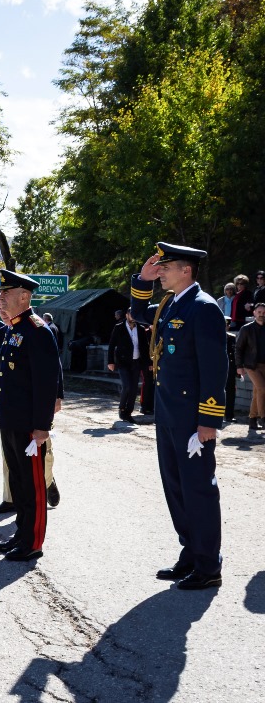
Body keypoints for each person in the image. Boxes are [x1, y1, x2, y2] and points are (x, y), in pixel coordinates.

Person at [131, 242, 227, 590]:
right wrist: (142, 280)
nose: (161, 273)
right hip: (169, 411)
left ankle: (208, 565)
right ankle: (191, 552)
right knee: (175, 487)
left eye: (166, 267)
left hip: (192, 417)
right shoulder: (171, 304)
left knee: (198, 489)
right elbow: (139, 314)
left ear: (186, 270)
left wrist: (208, 420)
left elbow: (215, 368)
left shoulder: (204, 307)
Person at [0, 269, 61, 562]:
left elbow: (46, 383)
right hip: (11, 418)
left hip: (30, 424)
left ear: (24, 296)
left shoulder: (37, 330)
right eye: (0, 293)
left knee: (32, 486)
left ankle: (33, 542)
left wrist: (42, 427)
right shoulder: (13, 329)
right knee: (18, 481)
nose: (0, 298)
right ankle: (21, 534)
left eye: (6, 293)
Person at [107, 308, 151, 424]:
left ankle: (128, 412)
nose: (133, 317)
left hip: (136, 362)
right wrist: (110, 361)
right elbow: (111, 345)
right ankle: (122, 409)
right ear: (126, 315)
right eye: (131, 314)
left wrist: (149, 363)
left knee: (134, 388)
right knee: (127, 386)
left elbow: (145, 347)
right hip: (123, 362)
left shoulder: (140, 329)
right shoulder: (119, 327)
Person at [235, 302, 265, 436]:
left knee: (258, 391)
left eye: (264, 313)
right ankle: (263, 418)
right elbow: (238, 348)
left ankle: (252, 420)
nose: (261, 315)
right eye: (259, 312)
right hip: (251, 365)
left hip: (264, 364)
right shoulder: (246, 329)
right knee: (262, 389)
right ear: (254, 313)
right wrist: (239, 366)